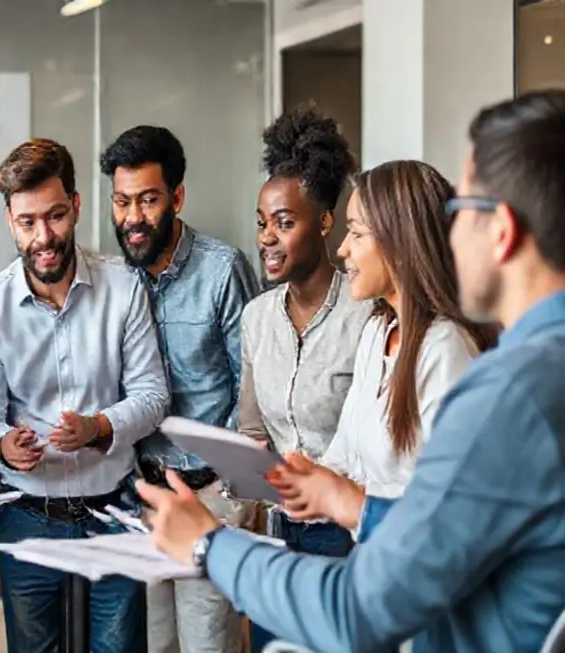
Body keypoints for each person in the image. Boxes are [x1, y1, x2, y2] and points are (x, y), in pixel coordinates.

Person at [139, 89, 565, 652]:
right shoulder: (537, 369)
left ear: (502, 230)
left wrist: (208, 545)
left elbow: (362, 607)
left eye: (461, 210)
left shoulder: (507, 392)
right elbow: (445, 536)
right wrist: (342, 497)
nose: (448, 231)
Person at [0, 138, 169, 653]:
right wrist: (1, 445)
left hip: (113, 512)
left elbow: (152, 394)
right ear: (10, 221)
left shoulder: (123, 288)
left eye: (55, 217)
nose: (43, 237)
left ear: (76, 207)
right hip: (27, 517)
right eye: (27, 222)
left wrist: (98, 427)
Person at [267, 160, 498, 528]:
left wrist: (349, 497)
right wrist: (301, 479)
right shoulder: (378, 330)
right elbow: (344, 453)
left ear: (401, 244)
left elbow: (454, 506)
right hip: (376, 556)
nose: (342, 249)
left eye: (356, 234)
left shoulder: (446, 349)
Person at [100, 125, 259, 653]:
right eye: (122, 202)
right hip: (142, 495)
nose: (133, 218)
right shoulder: (116, 278)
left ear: (177, 197)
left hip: (210, 494)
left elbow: (249, 386)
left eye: (148, 200)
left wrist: (236, 497)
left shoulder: (222, 269)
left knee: (208, 645)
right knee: (154, 645)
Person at [238, 106, 370, 649]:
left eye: (285, 222)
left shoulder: (366, 316)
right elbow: (252, 431)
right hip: (278, 535)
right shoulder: (256, 318)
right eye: (263, 222)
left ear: (324, 221)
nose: (268, 237)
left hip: (347, 538)